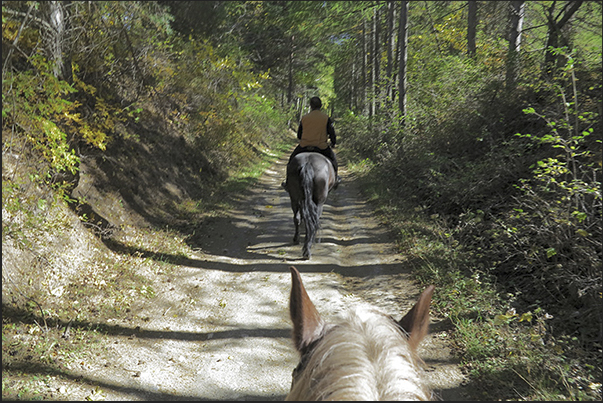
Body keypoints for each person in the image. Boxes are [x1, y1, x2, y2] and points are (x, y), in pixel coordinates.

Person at [281, 96, 341, 191]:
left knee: (291, 161)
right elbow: (332, 133)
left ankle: (288, 182)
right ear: (320, 106)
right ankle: (336, 179)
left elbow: (299, 135)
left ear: (311, 106)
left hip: (304, 146)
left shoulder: (304, 118)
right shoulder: (326, 118)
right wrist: (333, 142)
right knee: (333, 160)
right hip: (321, 147)